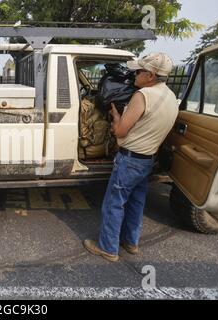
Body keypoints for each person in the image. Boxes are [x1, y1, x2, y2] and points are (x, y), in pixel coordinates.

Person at [83, 53, 179, 262]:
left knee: (114, 203)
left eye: (138, 71)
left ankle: (108, 248)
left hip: (130, 160)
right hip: (147, 159)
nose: (134, 74)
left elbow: (120, 132)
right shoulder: (171, 97)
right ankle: (131, 242)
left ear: (151, 75)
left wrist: (116, 117)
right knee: (136, 203)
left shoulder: (142, 95)